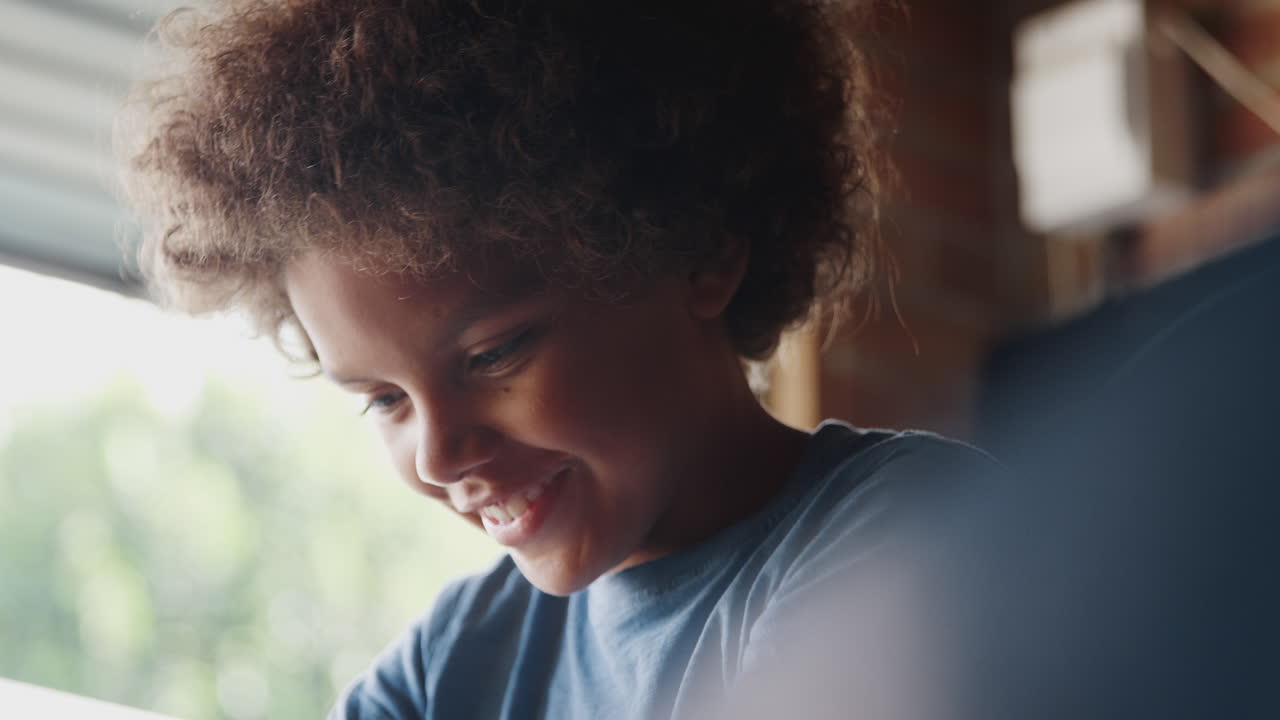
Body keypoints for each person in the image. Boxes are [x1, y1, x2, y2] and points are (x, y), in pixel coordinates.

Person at [117, 1, 1002, 717]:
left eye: (494, 353)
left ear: (698, 248)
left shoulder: (902, 542)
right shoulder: (444, 673)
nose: (438, 455)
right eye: (383, 399)